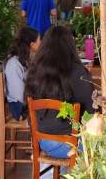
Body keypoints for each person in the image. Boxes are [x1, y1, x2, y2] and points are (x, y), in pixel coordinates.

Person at [25, 26, 95, 157]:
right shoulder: (77, 72)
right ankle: (72, 169)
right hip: (69, 143)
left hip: (41, 139)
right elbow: (91, 110)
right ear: (70, 46)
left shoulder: (35, 70)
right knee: (104, 140)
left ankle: (63, 169)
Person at [4, 27, 41, 120]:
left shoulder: (24, 60)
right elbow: (20, 95)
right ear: (32, 44)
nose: (41, 43)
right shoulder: (14, 64)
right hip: (21, 108)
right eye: (39, 40)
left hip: (26, 103)